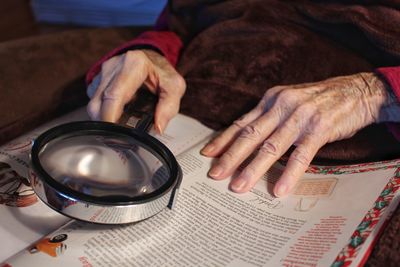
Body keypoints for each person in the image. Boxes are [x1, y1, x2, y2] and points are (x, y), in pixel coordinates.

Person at [85, 0, 400, 198]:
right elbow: (179, 23)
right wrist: (153, 54)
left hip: (352, 144)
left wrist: (373, 93)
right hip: (180, 111)